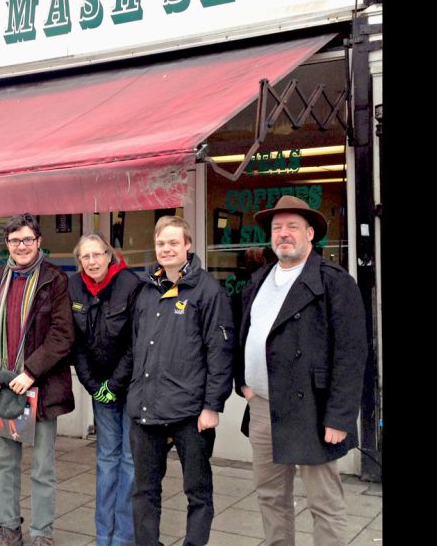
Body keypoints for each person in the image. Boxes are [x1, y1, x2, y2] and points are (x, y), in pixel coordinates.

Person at [235, 195, 368, 546]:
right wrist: (244, 384)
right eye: (277, 228)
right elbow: (244, 333)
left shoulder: (334, 281)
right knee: (270, 498)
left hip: (313, 409)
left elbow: (352, 355)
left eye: (292, 226)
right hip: (263, 406)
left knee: (324, 503)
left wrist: (339, 418)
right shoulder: (259, 280)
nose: (284, 234)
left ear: (311, 233)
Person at [128, 215, 234, 546]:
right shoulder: (146, 290)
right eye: (161, 243)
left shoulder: (207, 291)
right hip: (146, 408)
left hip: (191, 412)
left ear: (188, 245)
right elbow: (135, 345)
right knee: (144, 491)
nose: (167, 249)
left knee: (198, 492)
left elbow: (220, 352)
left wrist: (212, 405)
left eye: (174, 242)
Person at [0, 213, 76, 546]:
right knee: (2, 464)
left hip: (40, 388)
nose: (22, 246)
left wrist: (31, 371)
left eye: (28, 240)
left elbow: (63, 334)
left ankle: (42, 534)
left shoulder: (55, 279)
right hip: (2, 387)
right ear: (7, 244)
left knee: (42, 467)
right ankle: (8, 529)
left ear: (38, 242)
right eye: (15, 240)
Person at [68, 233, 143, 546]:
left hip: (130, 386)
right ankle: (103, 536)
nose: (92, 262)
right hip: (100, 389)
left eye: (97, 255)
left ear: (109, 256)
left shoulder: (131, 285)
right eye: (85, 257)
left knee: (128, 460)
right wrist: (93, 385)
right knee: (106, 461)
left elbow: (136, 342)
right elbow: (76, 342)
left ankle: (124, 537)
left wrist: (114, 384)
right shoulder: (74, 286)